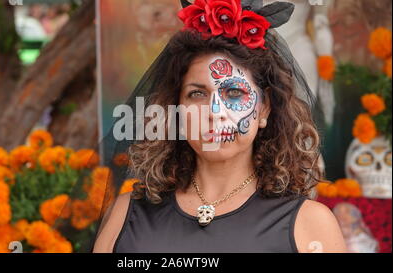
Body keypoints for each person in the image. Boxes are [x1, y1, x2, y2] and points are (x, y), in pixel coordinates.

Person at [91, 0, 347, 253]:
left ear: (265, 108)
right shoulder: (127, 214)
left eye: (234, 93)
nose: (214, 112)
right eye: (197, 94)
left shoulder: (310, 224)